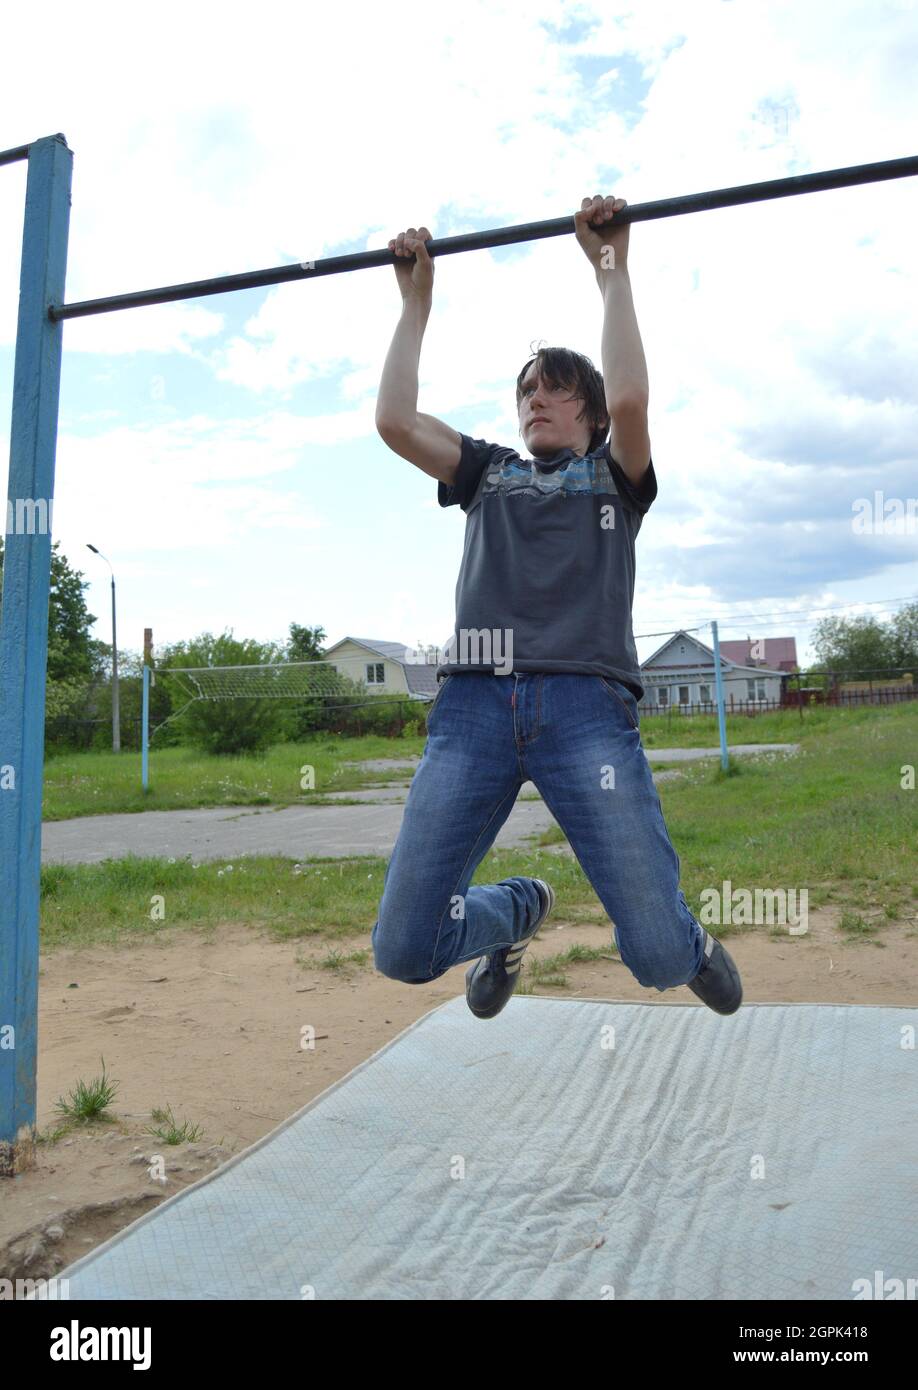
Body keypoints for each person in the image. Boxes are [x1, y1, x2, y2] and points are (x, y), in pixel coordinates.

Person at [371, 195, 741, 1020]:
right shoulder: (487, 471)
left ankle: (688, 944)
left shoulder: (614, 478)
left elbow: (637, 402)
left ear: (593, 413)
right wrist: (415, 304)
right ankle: (517, 912)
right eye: (529, 389)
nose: (536, 399)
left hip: (584, 709)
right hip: (472, 706)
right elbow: (394, 421)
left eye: (558, 390)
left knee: (653, 956)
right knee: (402, 948)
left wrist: (611, 269)